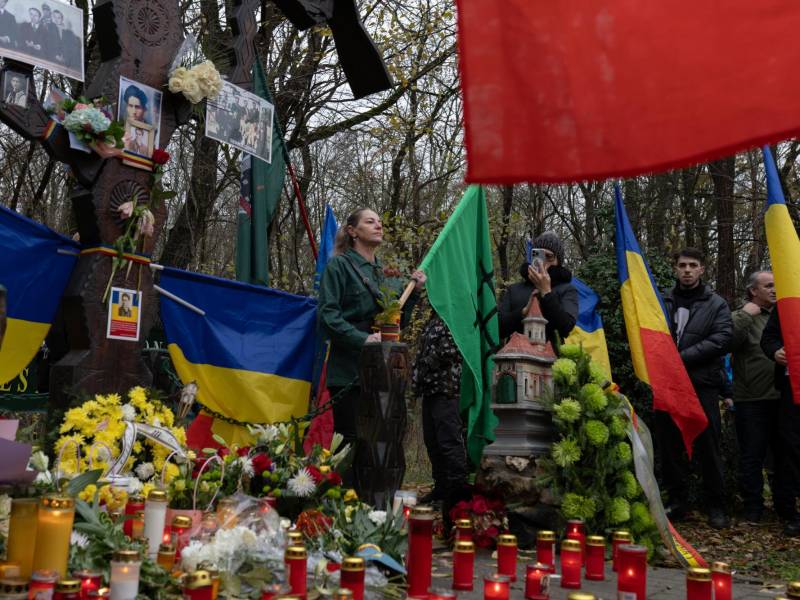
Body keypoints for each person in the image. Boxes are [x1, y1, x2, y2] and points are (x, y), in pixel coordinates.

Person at [317, 208, 426, 483]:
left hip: (383, 374)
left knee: (380, 445)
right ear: (352, 231)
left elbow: (396, 322)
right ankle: (342, 509)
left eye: (380, 221)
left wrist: (414, 294)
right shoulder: (339, 266)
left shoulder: (386, 275)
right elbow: (328, 316)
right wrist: (363, 339)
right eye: (370, 221)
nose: (378, 225)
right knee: (351, 446)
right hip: (349, 373)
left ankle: (375, 514)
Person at [659, 248, 732, 529]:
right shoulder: (662, 300)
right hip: (668, 384)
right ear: (675, 269)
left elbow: (722, 339)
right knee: (670, 445)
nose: (687, 270)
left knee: (708, 444)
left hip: (702, 384)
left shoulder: (716, 304)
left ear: (702, 269)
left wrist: (681, 358)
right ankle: (678, 502)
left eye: (693, 265)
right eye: (682, 265)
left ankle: (716, 504)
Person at [730, 271, 788, 523]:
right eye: (769, 286)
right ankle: (753, 507)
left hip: (783, 398)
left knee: (783, 454)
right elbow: (726, 339)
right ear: (754, 290)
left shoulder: (786, 315)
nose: (775, 290)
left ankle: (782, 504)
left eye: (778, 285)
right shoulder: (745, 316)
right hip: (751, 399)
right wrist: (745, 314)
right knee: (752, 455)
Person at [412, 312, 468, 514]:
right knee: (433, 442)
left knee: (449, 442)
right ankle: (441, 488)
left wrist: (426, 364)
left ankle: (456, 494)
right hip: (429, 390)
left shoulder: (453, 316)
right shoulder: (431, 321)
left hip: (446, 389)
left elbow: (452, 349)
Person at [760, 303, 800, 536]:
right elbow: (769, 338)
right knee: (790, 446)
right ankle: (790, 511)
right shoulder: (788, 301)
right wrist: (775, 351)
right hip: (791, 388)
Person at [498, 231, 578, 345]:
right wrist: (522, 313)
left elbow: (566, 327)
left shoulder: (567, 290)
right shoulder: (514, 289)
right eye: (539, 255)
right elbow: (498, 328)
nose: (543, 262)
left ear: (558, 261)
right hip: (515, 356)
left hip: (551, 358)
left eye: (549, 257)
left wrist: (546, 292)